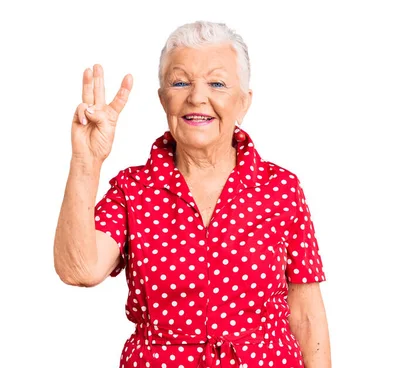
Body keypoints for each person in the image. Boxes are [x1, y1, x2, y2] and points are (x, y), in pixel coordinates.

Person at [53, 21, 331, 368]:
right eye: (180, 82)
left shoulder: (281, 189)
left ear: (244, 102)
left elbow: (306, 316)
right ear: (162, 99)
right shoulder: (133, 190)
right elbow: (79, 269)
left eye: (217, 83)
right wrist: (86, 160)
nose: (197, 97)